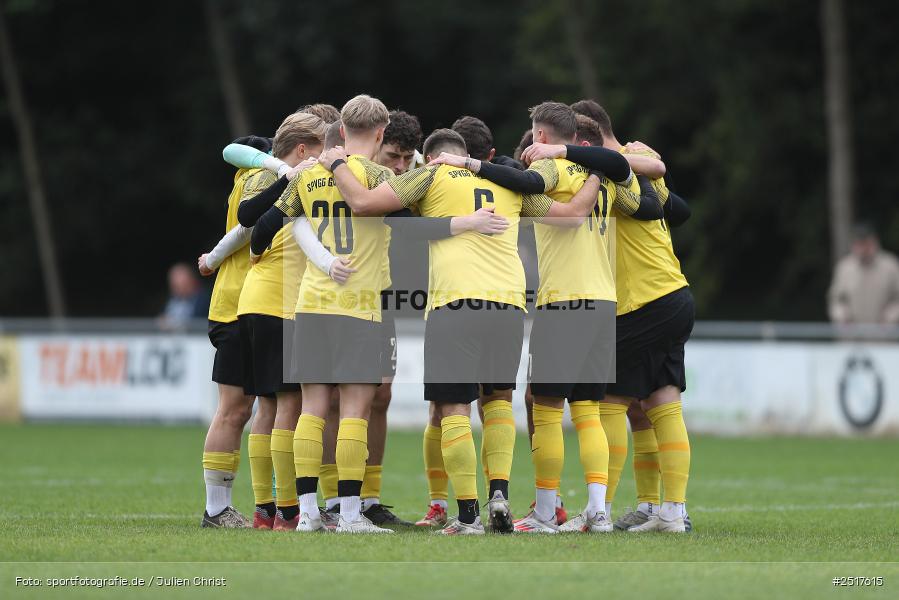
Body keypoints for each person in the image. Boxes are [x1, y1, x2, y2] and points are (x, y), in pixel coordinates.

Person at [319, 127, 607, 534]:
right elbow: (572, 216)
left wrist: (335, 163)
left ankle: (468, 515)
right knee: (499, 404)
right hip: (509, 304)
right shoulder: (506, 183)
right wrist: (597, 171)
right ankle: (500, 494)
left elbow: (365, 203)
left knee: (453, 408)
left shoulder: (430, 176)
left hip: (455, 303)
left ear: (433, 156)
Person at [431, 101, 660, 534]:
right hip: (604, 300)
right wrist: (603, 171)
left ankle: (543, 511)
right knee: (589, 410)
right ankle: (599, 511)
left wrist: (469, 163)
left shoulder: (554, 170)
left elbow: (521, 182)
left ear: (540, 136)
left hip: (563, 300)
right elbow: (647, 203)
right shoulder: (607, 177)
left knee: (549, 409)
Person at [523, 97, 693, 533]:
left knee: (606, 404)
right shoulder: (625, 171)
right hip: (667, 293)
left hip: (640, 300)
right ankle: (667, 509)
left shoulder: (603, 166)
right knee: (659, 400)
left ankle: (596, 508)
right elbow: (674, 208)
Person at [250, 94, 398, 534]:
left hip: (310, 306)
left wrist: (259, 251)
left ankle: (308, 514)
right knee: (355, 410)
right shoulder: (381, 176)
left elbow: (261, 228)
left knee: (311, 409)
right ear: (380, 133)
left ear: (339, 130)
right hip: (359, 305)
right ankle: (351, 515)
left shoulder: (308, 175)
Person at [828, 223, 899, 325]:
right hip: (853, 337)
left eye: (866, 244)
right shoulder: (844, 268)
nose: (863, 249)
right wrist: (841, 316)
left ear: (875, 242)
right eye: (859, 244)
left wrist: (891, 317)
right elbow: (836, 300)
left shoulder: (891, 266)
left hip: (885, 337)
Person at [159, 263, 208, 331]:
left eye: (181, 285)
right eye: (174, 286)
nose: (177, 290)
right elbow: (162, 319)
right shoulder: (172, 300)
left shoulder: (204, 302)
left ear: (191, 281)